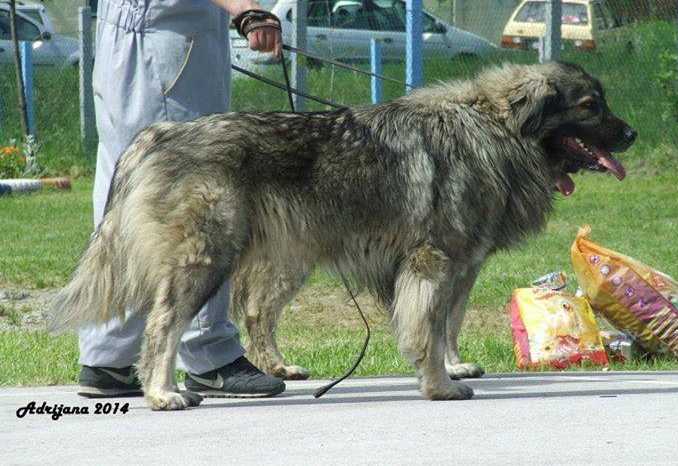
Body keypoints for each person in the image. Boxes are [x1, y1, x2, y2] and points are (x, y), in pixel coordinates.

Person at [78, 0, 286, 399]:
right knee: (197, 205)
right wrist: (245, 9)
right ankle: (207, 353)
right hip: (165, 43)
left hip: (138, 37)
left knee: (125, 190)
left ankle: (109, 356)